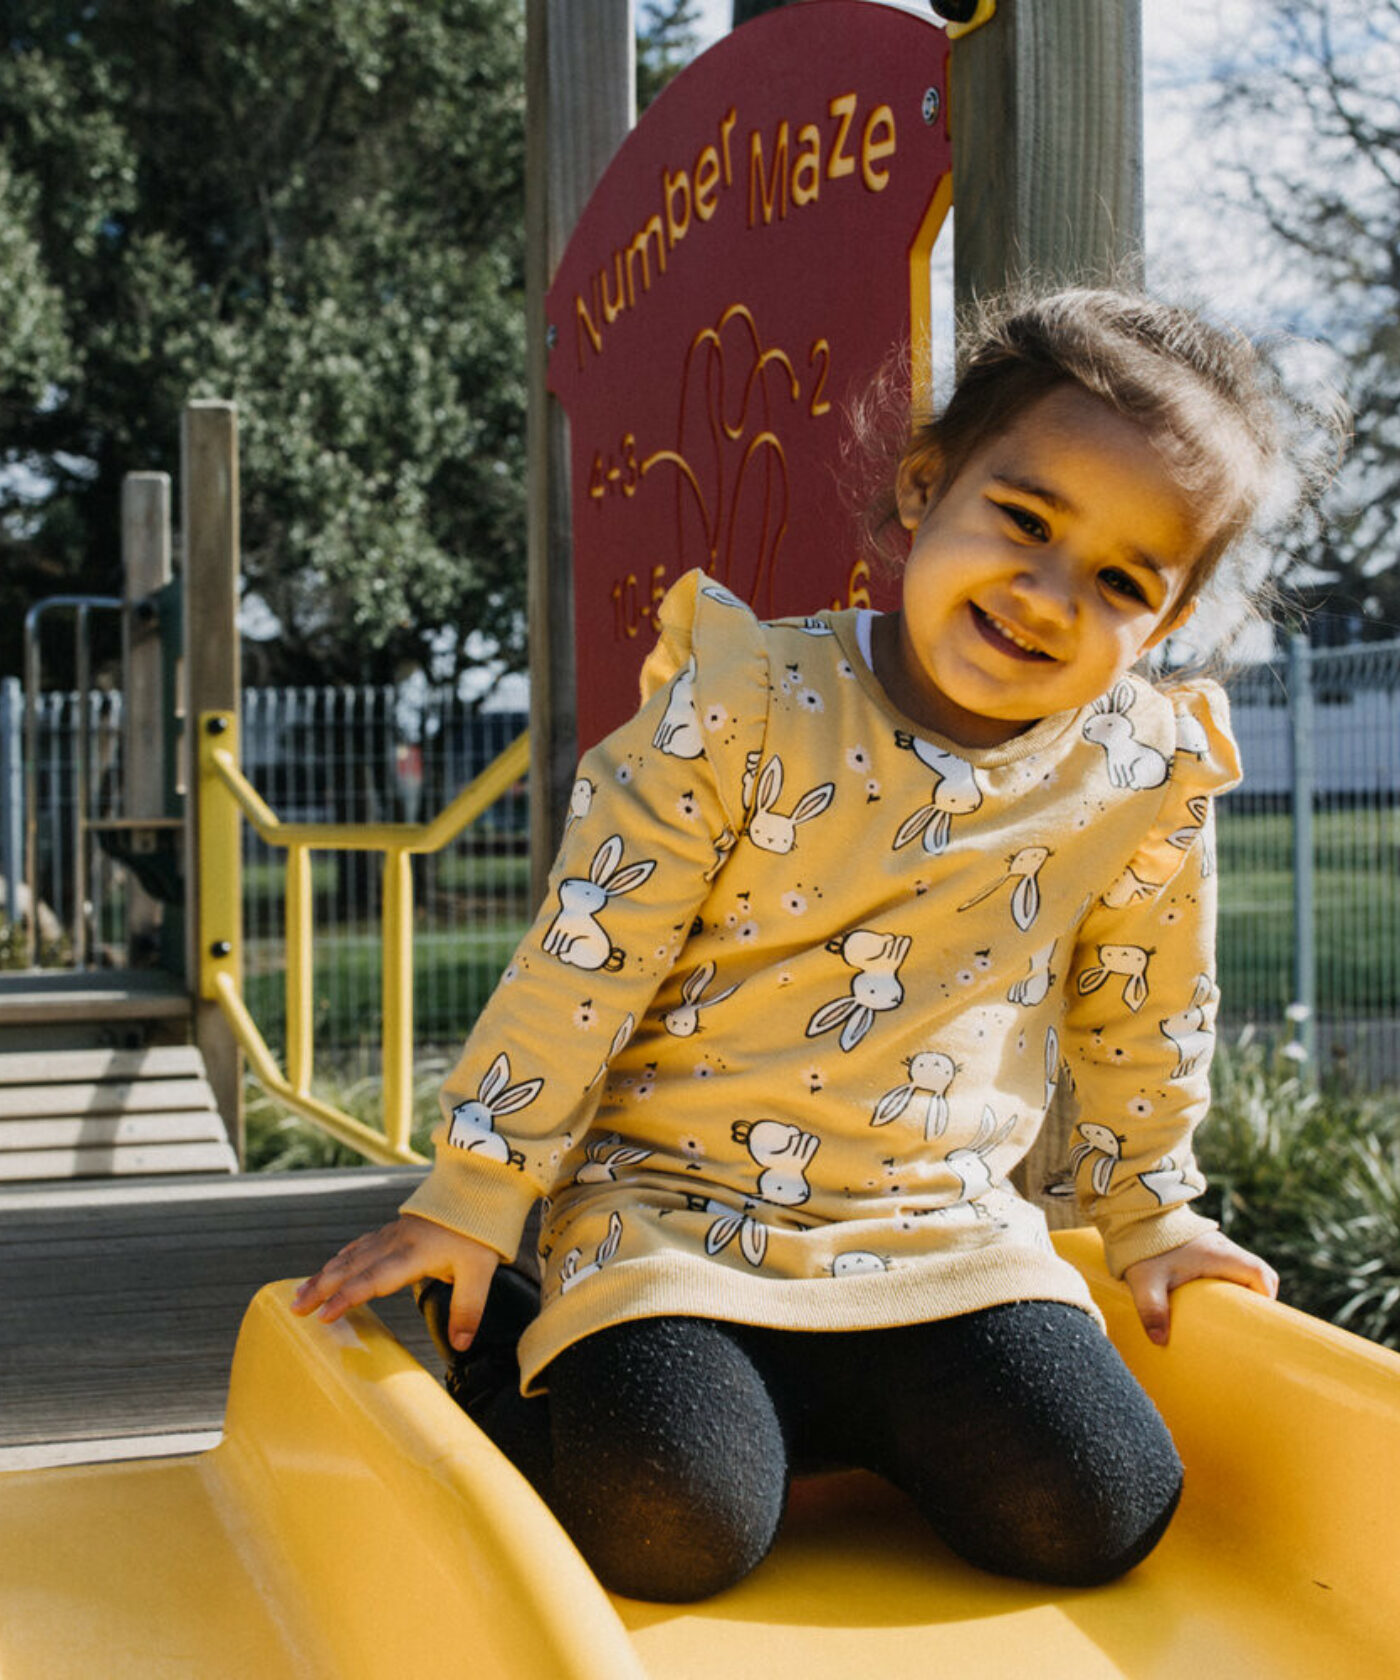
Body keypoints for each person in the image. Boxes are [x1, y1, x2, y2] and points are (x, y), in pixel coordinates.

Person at [294, 287, 1312, 1604]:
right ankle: (525, 1366)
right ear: (923, 490)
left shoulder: (1139, 771)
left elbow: (1142, 1004)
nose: (1051, 595)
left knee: (1100, 1508)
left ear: (1162, 630)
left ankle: (847, 1428)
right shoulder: (747, 707)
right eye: (1026, 520)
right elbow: (585, 960)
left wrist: (1152, 1211)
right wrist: (480, 1195)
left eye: (1122, 581)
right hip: (674, 1223)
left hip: (939, 1233)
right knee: (672, 1530)